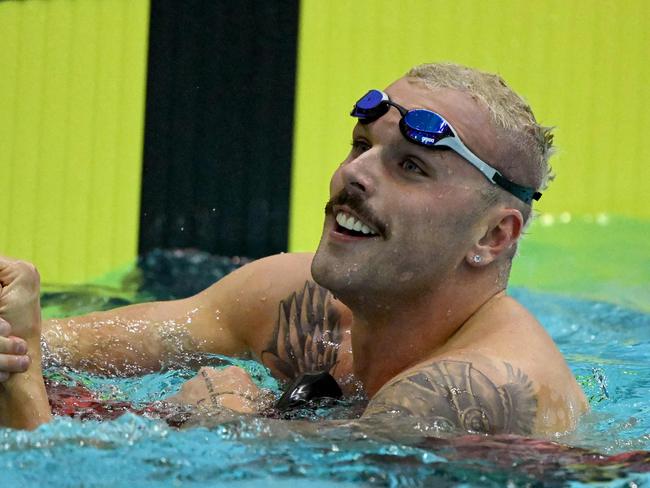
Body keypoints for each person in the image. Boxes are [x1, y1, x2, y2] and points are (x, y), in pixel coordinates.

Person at [0, 63, 588, 434]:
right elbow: (63, 344)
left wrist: (21, 392)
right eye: (360, 146)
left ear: (493, 236)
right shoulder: (291, 296)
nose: (353, 175)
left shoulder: (465, 391)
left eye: (410, 166)